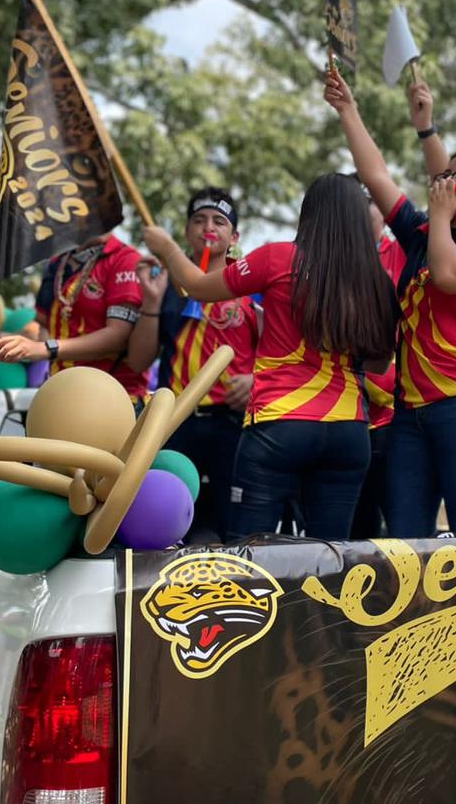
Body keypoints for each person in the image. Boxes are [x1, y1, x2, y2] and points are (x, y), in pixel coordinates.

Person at [142, 173, 397, 541]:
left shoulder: (279, 258)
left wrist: (168, 249)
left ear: (309, 214)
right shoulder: (377, 280)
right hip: (349, 430)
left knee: (249, 554)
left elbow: (198, 287)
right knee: (331, 554)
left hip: (280, 424)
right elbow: (379, 364)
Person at [325, 68, 456, 538]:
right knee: (405, 544)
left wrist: (440, 212)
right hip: (410, 413)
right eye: (445, 174)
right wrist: (347, 108)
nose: (447, 181)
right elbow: (375, 176)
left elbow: (449, 276)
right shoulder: (421, 234)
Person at [124, 188, 260, 541]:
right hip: (174, 424)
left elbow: (280, 352)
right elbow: (138, 361)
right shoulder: (164, 281)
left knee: (233, 531)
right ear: (186, 232)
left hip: (232, 425)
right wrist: (151, 301)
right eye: (199, 220)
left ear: (235, 237)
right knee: (169, 525)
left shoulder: (252, 285)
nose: (208, 228)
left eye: (219, 221)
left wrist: (255, 380)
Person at [0, 231, 151, 400]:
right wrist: (16, 341)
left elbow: (118, 336)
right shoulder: (56, 264)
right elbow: (42, 325)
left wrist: (46, 348)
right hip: (62, 392)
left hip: (112, 398)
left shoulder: (125, 259)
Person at [350, 184, 406, 540]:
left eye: (368, 201)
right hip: (341, 417)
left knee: (404, 528)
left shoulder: (403, 251)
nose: (360, 211)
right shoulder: (328, 259)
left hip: (395, 418)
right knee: (354, 529)